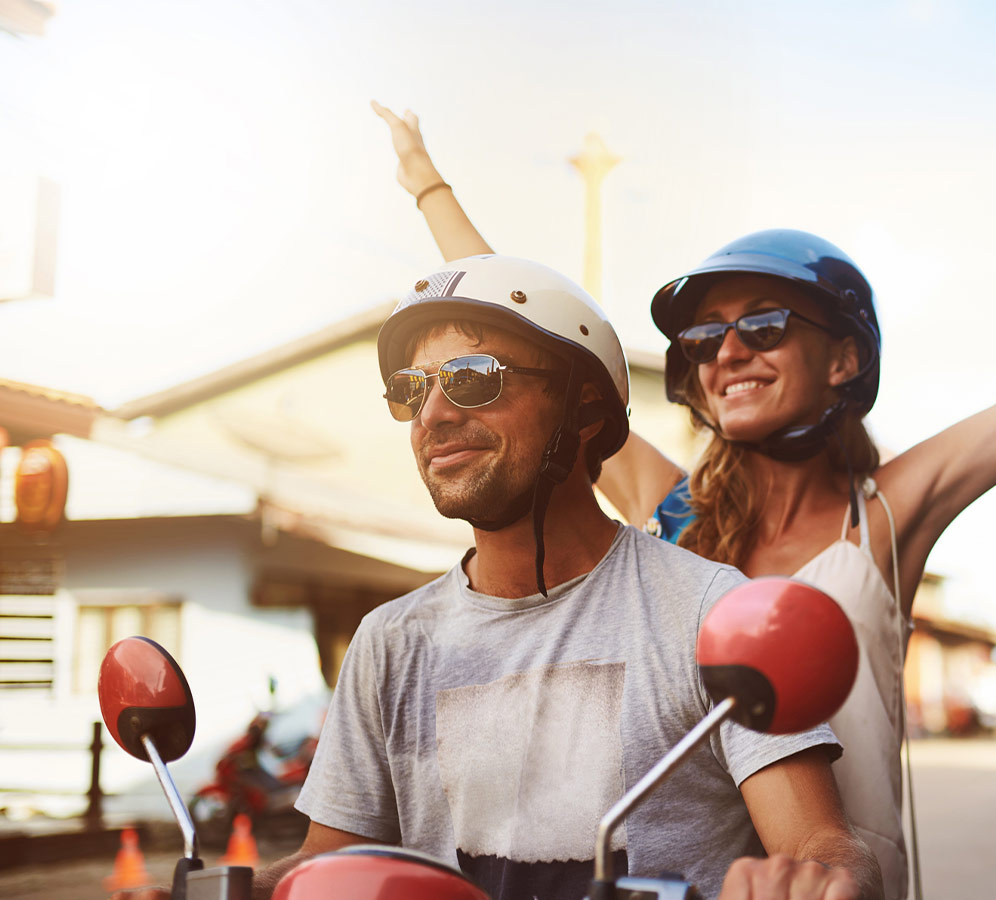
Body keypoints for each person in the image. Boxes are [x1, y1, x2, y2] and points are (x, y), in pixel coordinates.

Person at [374, 100, 996, 900]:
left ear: (843, 361)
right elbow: (525, 335)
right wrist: (428, 184)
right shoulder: (673, 511)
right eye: (704, 338)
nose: (728, 349)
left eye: (765, 324)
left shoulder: (890, 511)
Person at [117, 256, 882, 900]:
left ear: (584, 406)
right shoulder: (390, 641)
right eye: (411, 391)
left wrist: (813, 881)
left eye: (474, 377)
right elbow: (330, 865)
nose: (434, 414)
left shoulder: (708, 611)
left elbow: (820, 842)